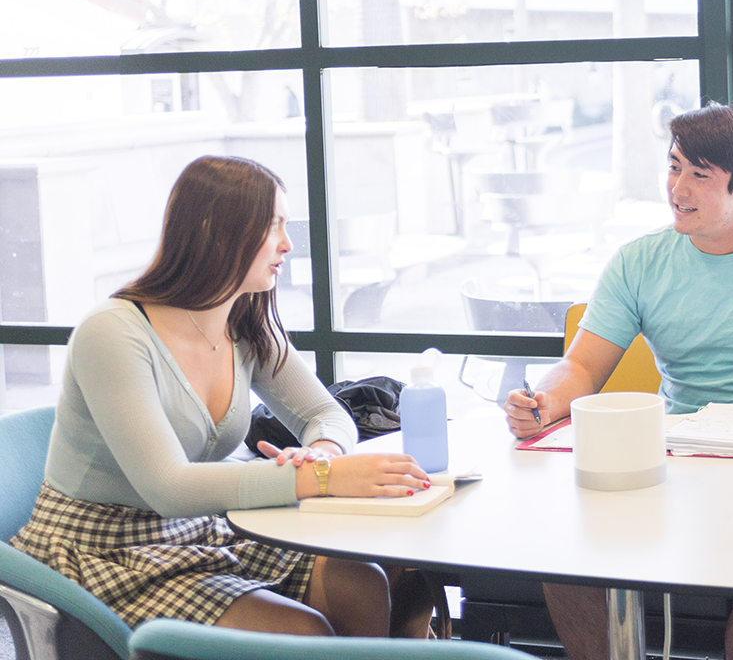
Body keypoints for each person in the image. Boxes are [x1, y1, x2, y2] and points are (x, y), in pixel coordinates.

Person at [10, 156, 437, 638]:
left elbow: (325, 414)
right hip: (101, 549)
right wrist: (321, 478)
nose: (288, 243)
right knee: (303, 632)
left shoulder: (244, 321)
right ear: (217, 231)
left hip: (200, 528)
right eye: (272, 225)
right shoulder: (112, 333)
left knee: (360, 582)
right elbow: (167, 487)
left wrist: (321, 453)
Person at [503, 102, 733, 660]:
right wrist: (546, 401)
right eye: (674, 167)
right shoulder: (639, 261)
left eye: (700, 175)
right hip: (678, 455)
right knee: (566, 563)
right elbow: (582, 367)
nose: (678, 187)